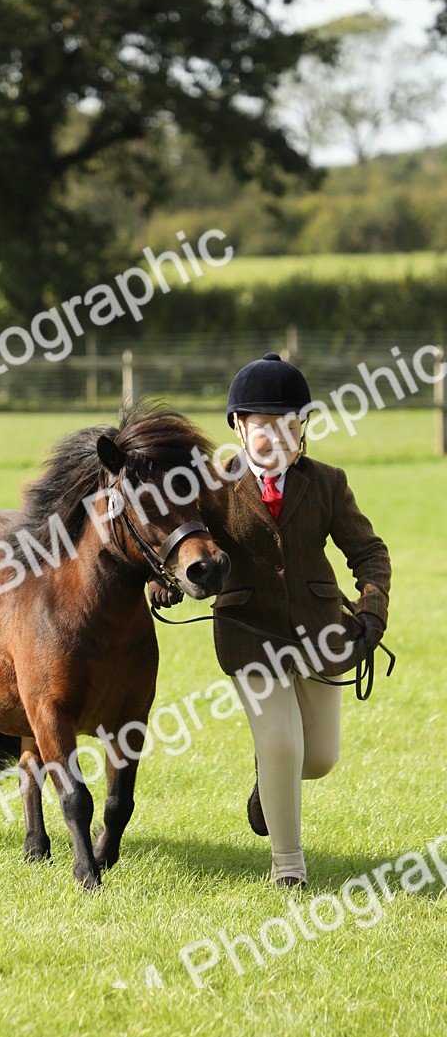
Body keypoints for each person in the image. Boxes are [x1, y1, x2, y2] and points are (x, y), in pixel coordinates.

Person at [157, 353, 391, 887]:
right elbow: (177, 542)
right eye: (264, 427)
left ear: (304, 426)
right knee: (281, 744)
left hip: (322, 634)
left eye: (291, 424)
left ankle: (269, 784)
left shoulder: (329, 483)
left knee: (319, 757)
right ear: (239, 426)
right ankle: (289, 868)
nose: (278, 438)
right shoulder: (212, 486)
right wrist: (164, 582)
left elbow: (370, 553)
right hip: (248, 633)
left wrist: (372, 610)